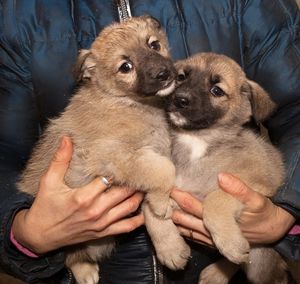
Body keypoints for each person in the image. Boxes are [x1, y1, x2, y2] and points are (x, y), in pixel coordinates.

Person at [0, 0, 299, 283]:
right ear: (90, 74)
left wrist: (288, 213)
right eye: (125, 67)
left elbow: (295, 111)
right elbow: (6, 152)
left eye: (155, 46)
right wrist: (23, 232)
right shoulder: (16, 14)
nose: (157, 68)